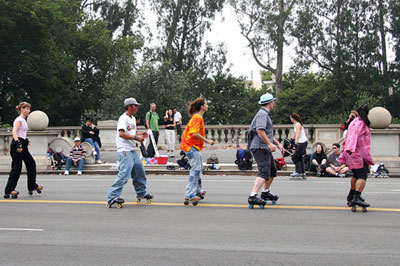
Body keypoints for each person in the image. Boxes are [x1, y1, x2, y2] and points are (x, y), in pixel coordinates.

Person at [107, 97, 152, 207]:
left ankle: (141, 192)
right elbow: (121, 134)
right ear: (130, 106)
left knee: (139, 171)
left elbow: (132, 131)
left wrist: (141, 134)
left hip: (132, 150)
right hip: (124, 150)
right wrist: (136, 138)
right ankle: (112, 197)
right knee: (124, 174)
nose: (137, 108)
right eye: (135, 106)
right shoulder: (123, 118)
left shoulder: (132, 118)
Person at [247, 93, 285, 207]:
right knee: (264, 170)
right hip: (259, 147)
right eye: (273, 101)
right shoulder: (262, 114)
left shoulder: (265, 114)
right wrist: (269, 144)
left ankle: (265, 192)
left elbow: (267, 133)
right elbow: (260, 130)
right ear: (269, 103)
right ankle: (252, 196)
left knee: (272, 170)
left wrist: (277, 144)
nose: (274, 103)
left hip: (264, 147)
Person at [4, 102, 43, 198]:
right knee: (17, 168)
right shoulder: (19, 120)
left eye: (29, 109)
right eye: (27, 109)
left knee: (31, 164)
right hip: (18, 145)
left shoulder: (24, 120)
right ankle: (9, 189)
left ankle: (32, 185)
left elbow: (22, 133)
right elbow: (14, 132)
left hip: (23, 144)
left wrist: (26, 141)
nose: (28, 111)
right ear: (22, 109)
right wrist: (19, 144)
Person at [180, 98, 214, 205]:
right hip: (191, 146)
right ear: (202, 106)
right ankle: (189, 194)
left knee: (199, 168)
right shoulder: (197, 118)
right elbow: (194, 133)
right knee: (195, 169)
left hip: (193, 146)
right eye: (206, 104)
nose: (207, 106)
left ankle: (198, 191)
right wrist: (207, 140)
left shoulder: (199, 118)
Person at [339, 104, 374, 208]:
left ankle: (351, 195)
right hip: (357, 153)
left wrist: (345, 152)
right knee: (363, 175)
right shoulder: (361, 123)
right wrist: (350, 148)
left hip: (351, 152)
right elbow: (353, 137)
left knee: (356, 175)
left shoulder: (354, 122)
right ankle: (356, 197)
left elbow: (347, 137)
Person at [289, 113, 308, 179]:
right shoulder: (296, 124)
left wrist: (295, 144)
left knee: (294, 157)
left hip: (301, 143)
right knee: (300, 158)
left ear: (293, 118)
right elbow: (294, 134)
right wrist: (291, 140)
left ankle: (298, 172)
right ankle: (303, 173)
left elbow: (298, 134)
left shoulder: (297, 124)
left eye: (290, 118)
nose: (290, 119)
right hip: (302, 142)